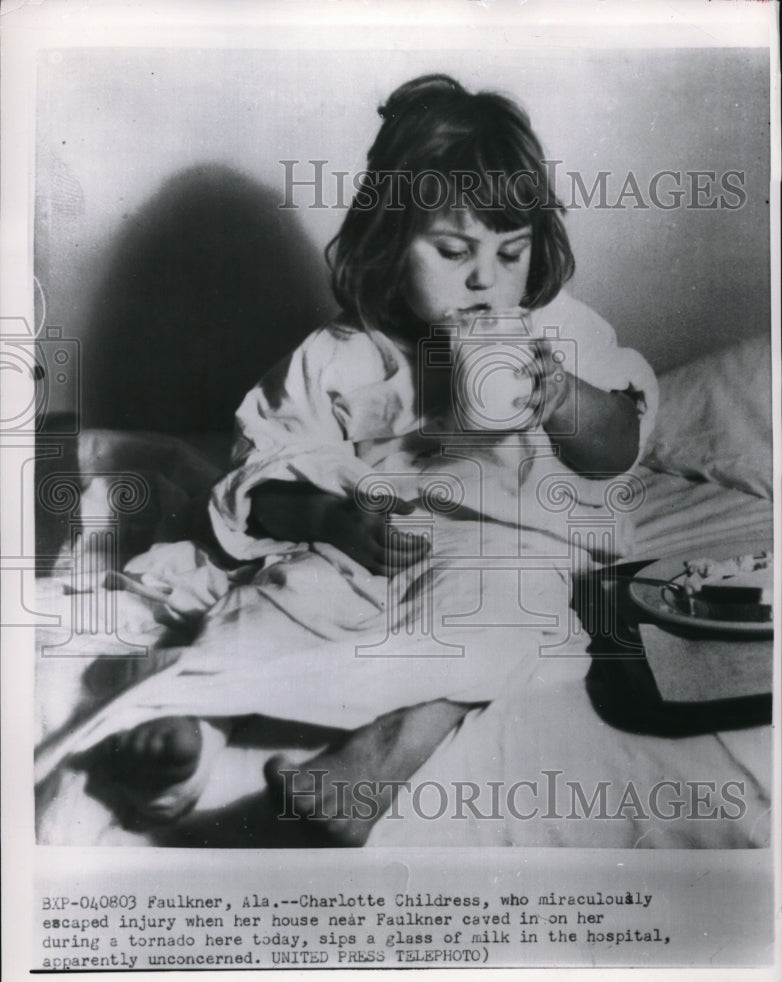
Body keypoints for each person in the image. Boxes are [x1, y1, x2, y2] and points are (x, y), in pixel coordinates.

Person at [80, 74, 658, 845]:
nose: (485, 278)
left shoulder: (555, 332)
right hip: (356, 549)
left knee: (507, 615)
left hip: (497, 545)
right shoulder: (337, 357)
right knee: (273, 605)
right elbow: (260, 482)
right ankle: (193, 727)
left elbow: (616, 444)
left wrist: (561, 397)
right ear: (390, 241)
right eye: (453, 250)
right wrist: (327, 517)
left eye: (510, 252)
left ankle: (378, 762)